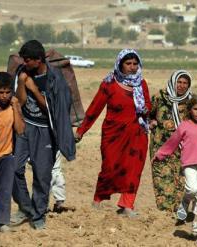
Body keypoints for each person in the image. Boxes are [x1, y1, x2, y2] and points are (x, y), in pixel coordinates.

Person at [75, 49, 151, 217]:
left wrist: (146, 110)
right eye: (128, 64)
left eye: (135, 64)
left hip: (136, 134)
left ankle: (127, 205)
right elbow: (94, 109)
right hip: (113, 135)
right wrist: (81, 131)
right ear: (120, 64)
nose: (132, 67)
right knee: (109, 167)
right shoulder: (109, 84)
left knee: (134, 168)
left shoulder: (141, 84)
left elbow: (148, 106)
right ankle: (98, 199)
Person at [11, 40, 76, 230]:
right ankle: (25, 208)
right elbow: (20, 101)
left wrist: (33, 89)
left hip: (45, 131)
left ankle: (38, 215)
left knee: (42, 175)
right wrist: (23, 83)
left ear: (38, 60)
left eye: (28, 60)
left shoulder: (55, 80)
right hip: (24, 127)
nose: (25, 63)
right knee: (14, 169)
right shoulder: (23, 73)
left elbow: (54, 112)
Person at [153, 96, 197, 235]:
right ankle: (185, 203)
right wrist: (160, 154)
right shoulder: (184, 125)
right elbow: (172, 142)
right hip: (189, 163)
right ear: (190, 110)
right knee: (192, 189)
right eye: (195, 109)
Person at [0, 72, 25, 232]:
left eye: (8, 92)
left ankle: (3, 222)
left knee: (5, 189)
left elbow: (20, 130)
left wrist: (16, 106)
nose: (4, 96)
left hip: (7, 156)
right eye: (1, 92)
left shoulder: (13, 108)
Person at [149, 70, 192, 212]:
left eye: (185, 83)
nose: (181, 86)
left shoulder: (191, 101)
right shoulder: (159, 97)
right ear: (173, 82)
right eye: (179, 82)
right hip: (161, 144)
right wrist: (152, 121)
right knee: (162, 177)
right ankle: (164, 211)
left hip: (183, 147)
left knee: (181, 179)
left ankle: (179, 210)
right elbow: (148, 114)